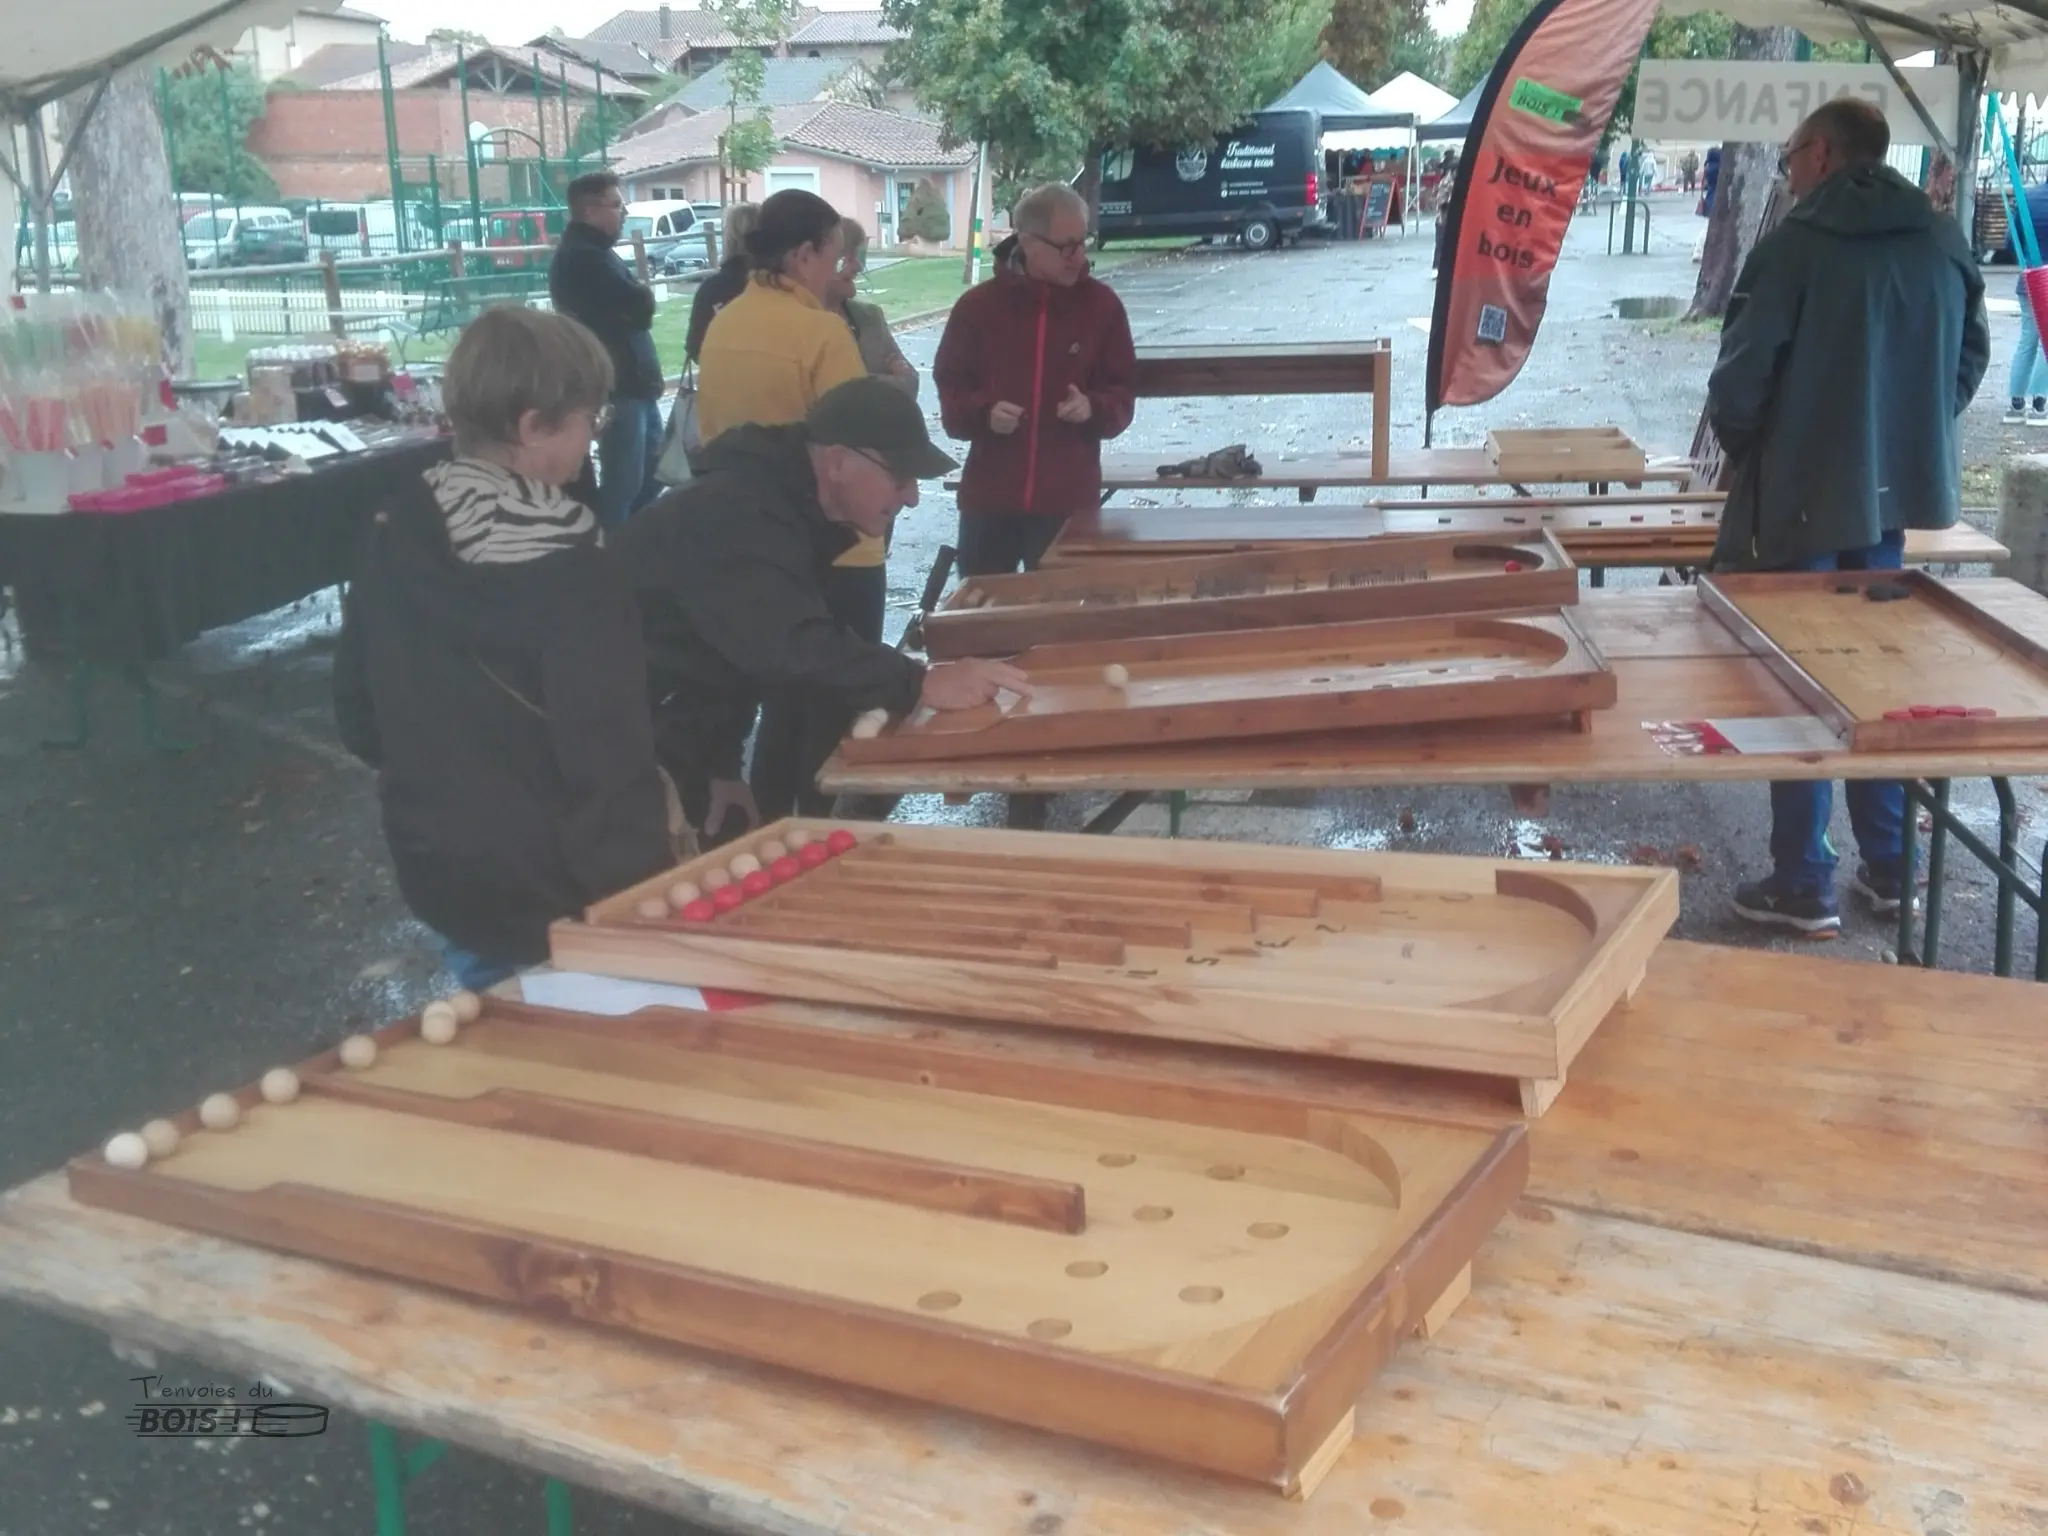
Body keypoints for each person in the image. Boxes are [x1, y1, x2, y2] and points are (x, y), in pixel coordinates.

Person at [1706, 97, 1989, 937]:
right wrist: (1908, 442)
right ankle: (1894, 868)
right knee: (1878, 686)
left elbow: (1739, 383)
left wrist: (1762, 453)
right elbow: (1968, 360)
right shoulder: (1942, 239)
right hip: (1892, 506)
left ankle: (1805, 880)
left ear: (1823, 154)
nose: (1787, 171)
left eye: (1791, 156)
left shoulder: (1796, 247)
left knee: (1796, 688)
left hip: (1795, 508)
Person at [334, 307, 673, 988]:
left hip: (440, 861)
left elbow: (359, 708)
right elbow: (606, 752)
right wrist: (644, 891)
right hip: (559, 881)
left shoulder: (394, 525)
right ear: (532, 426)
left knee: (494, 1033)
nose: (594, 437)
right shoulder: (575, 563)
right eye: (589, 420)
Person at [619, 377, 1029, 836]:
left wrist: (721, 768)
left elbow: (732, 652)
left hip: (662, 728)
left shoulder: (783, 506)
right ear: (837, 463)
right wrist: (920, 683)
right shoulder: (740, 516)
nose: (912, 496)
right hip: (613, 747)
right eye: (900, 477)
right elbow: (787, 645)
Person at [695, 188, 873, 819]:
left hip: (751, 544)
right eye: (834, 255)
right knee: (831, 709)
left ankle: (767, 831)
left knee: (780, 700)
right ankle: (819, 847)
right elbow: (860, 445)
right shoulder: (821, 332)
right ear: (803, 255)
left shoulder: (724, 323)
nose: (838, 269)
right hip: (838, 547)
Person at [934, 183, 1138, 577]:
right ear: (1027, 243)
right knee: (987, 624)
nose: (1078, 257)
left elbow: (1122, 394)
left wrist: (1092, 408)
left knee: (1062, 625)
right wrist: (984, 414)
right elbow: (951, 398)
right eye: (1067, 246)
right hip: (989, 502)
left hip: (1068, 503)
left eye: (1083, 242)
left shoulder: (1103, 307)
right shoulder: (977, 309)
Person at [548, 171, 666, 528]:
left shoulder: (598, 253)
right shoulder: (584, 258)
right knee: (624, 484)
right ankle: (612, 555)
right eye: (617, 205)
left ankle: (634, 541)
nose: (624, 213)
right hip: (617, 386)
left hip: (635, 382)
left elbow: (634, 308)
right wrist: (642, 295)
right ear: (590, 210)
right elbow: (640, 306)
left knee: (655, 470)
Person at [827, 216, 920, 399]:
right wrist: (888, 380)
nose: (858, 266)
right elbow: (834, 390)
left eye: (861, 255)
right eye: (847, 257)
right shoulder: (801, 323)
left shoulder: (870, 317)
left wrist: (862, 382)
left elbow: (911, 382)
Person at [683, 201, 759, 366]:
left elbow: (695, 348)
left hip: (724, 382)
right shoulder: (782, 286)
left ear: (729, 238)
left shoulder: (712, 289)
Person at [2004, 180, 2048, 425]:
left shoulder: (2027, 198)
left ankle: (2015, 402)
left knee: (2028, 338)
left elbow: (2011, 241)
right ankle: (2039, 403)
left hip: (2030, 277)